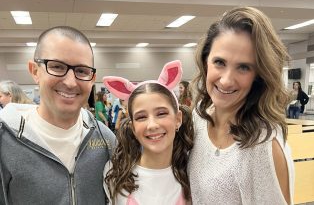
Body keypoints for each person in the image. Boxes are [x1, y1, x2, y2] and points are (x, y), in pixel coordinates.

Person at [188, 7, 294, 205]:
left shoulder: (262, 145)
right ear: (205, 62)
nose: (227, 80)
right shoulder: (199, 118)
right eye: (219, 62)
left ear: (258, 76)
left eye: (244, 67)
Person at [0, 26, 116, 204]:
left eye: (82, 71)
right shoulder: (5, 141)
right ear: (35, 71)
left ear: (92, 79)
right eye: (56, 66)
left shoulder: (106, 140)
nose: (70, 82)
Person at [102, 60, 194, 205]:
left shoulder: (192, 174)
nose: (152, 125)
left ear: (178, 119)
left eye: (161, 113)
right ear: (133, 127)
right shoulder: (115, 173)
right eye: (141, 117)